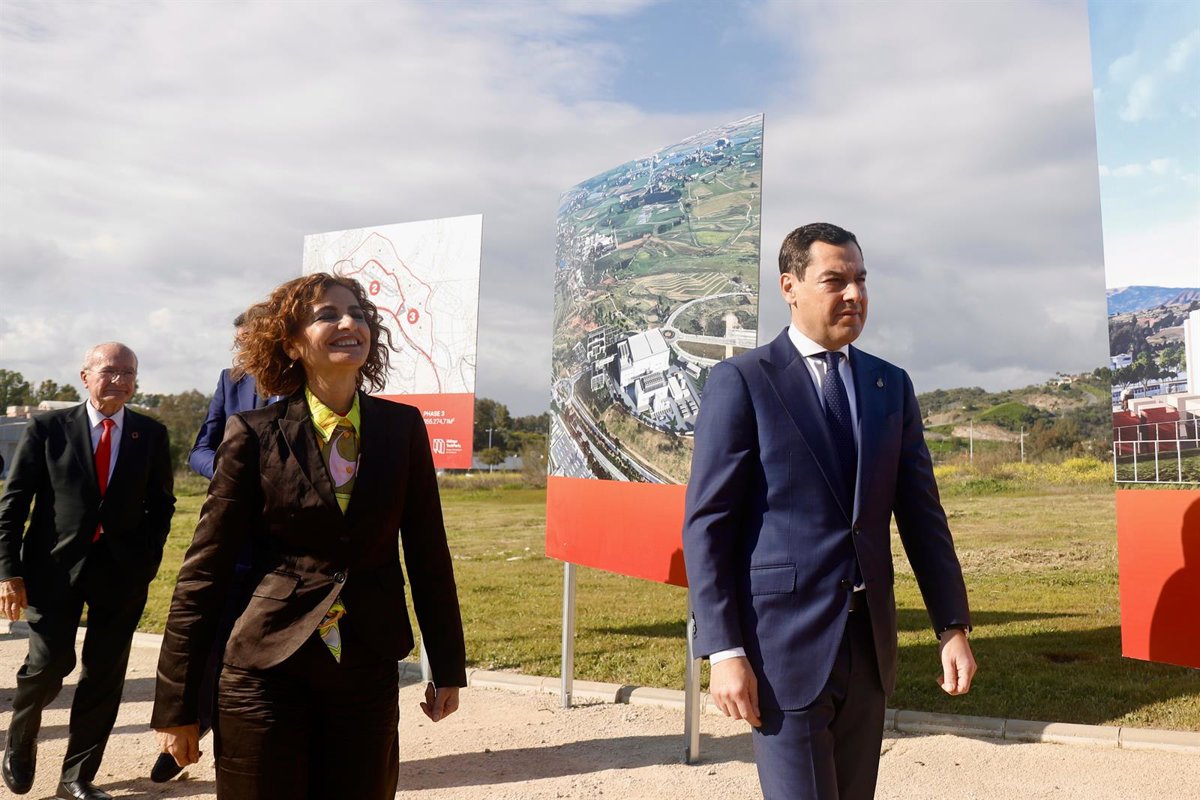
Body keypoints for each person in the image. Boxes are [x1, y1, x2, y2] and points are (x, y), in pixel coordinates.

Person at [682, 223, 976, 800]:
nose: (854, 294)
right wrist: (723, 650)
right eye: (835, 281)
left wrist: (952, 626)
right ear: (789, 287)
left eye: (861, 280)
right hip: (780, 654)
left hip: (869, 651)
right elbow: (708, 526)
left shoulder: (890, 386)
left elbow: (923, 519)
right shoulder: (742, 382)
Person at [151, 273, 466, 799]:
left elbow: (429, 553)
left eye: (358, 314)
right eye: (327, 315)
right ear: (293, 344)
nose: (349, 323)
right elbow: (204, 571)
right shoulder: (253, 432)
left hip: (366, 666)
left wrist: (448, 666)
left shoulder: (402, 428)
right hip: (266, 669)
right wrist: (177, 705)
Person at [0, 343, 175, 800]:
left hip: (122, 574)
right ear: (85, 376)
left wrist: (148, 560)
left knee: (104, 674)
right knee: (48, 663)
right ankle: (21, 736)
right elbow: (13, 505)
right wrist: (8, 572)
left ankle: (77, 775)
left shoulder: (150, 434)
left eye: (129, 373)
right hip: (52, 569)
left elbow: (162, 505)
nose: (120, 381)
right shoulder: (47, 428)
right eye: (110, 371)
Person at [149, 311, 274, 783]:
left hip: (284, 533)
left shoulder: (306, 381)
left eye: (250, 341)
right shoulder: (231, 380)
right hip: (230, 526)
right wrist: (230, 471)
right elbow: (200, 449)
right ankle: (194, 724)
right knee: (211, 627)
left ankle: (240, 742)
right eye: (237, 342)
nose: (241, 351)